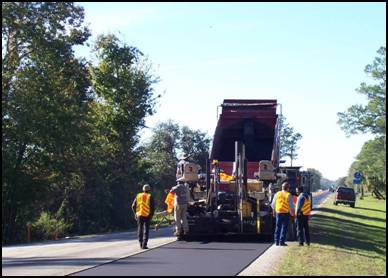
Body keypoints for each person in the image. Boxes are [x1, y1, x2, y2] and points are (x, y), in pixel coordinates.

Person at [271, 182, 295, 246]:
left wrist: (273, 212)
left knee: (278, 227)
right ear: (288, 188)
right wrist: (293, 214)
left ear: (282, 187)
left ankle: (276, 241)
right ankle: (282, 242)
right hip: (285, 213)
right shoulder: (288, 195)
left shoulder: (277, 194)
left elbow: (273, 204)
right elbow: (291, 206)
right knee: (284, 227)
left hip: (278, 213)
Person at [131, 184, 155, 249]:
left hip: (139, 215)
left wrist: (135, 214)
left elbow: (133, 206)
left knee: (140, 229)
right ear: (149, 190)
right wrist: (151, 215)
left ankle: (140, 243)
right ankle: (144, 244)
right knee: (146, 230)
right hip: (147, 215)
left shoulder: (138, 195)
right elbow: (152, 207)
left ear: (143, 190)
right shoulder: (150, 196)